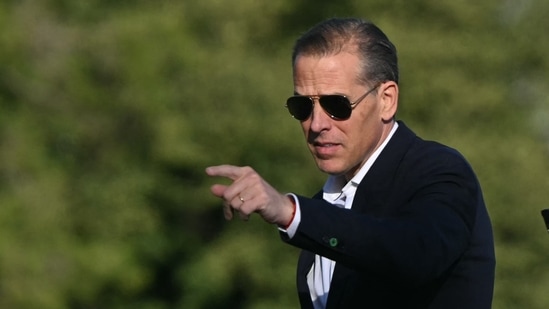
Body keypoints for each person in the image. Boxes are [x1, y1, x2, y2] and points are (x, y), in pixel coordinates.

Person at [206, 17, 495, 309]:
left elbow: (415, 255)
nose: (317, 124)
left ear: (387, 100)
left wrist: (291, 213)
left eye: (336, 105)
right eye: (302, 106)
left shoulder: (439, 171)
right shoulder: (326, 202)